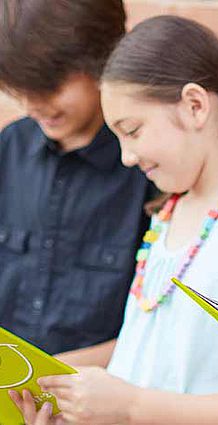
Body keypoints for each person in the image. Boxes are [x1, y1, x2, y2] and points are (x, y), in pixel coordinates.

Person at [11, 16, 218, 424]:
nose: (126, 157)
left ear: (195, 105)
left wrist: (130, 407)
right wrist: (58, 386)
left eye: (133, 130)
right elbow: (149, 354)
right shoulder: (169, 212)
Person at [0, 0, 153, 355]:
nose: (33, 104)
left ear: (103, 60)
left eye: (48, 86)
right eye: (19, 89)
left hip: (101, 399)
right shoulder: (10, 148)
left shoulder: (148, 169)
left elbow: (163, 334)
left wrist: (47, 379)